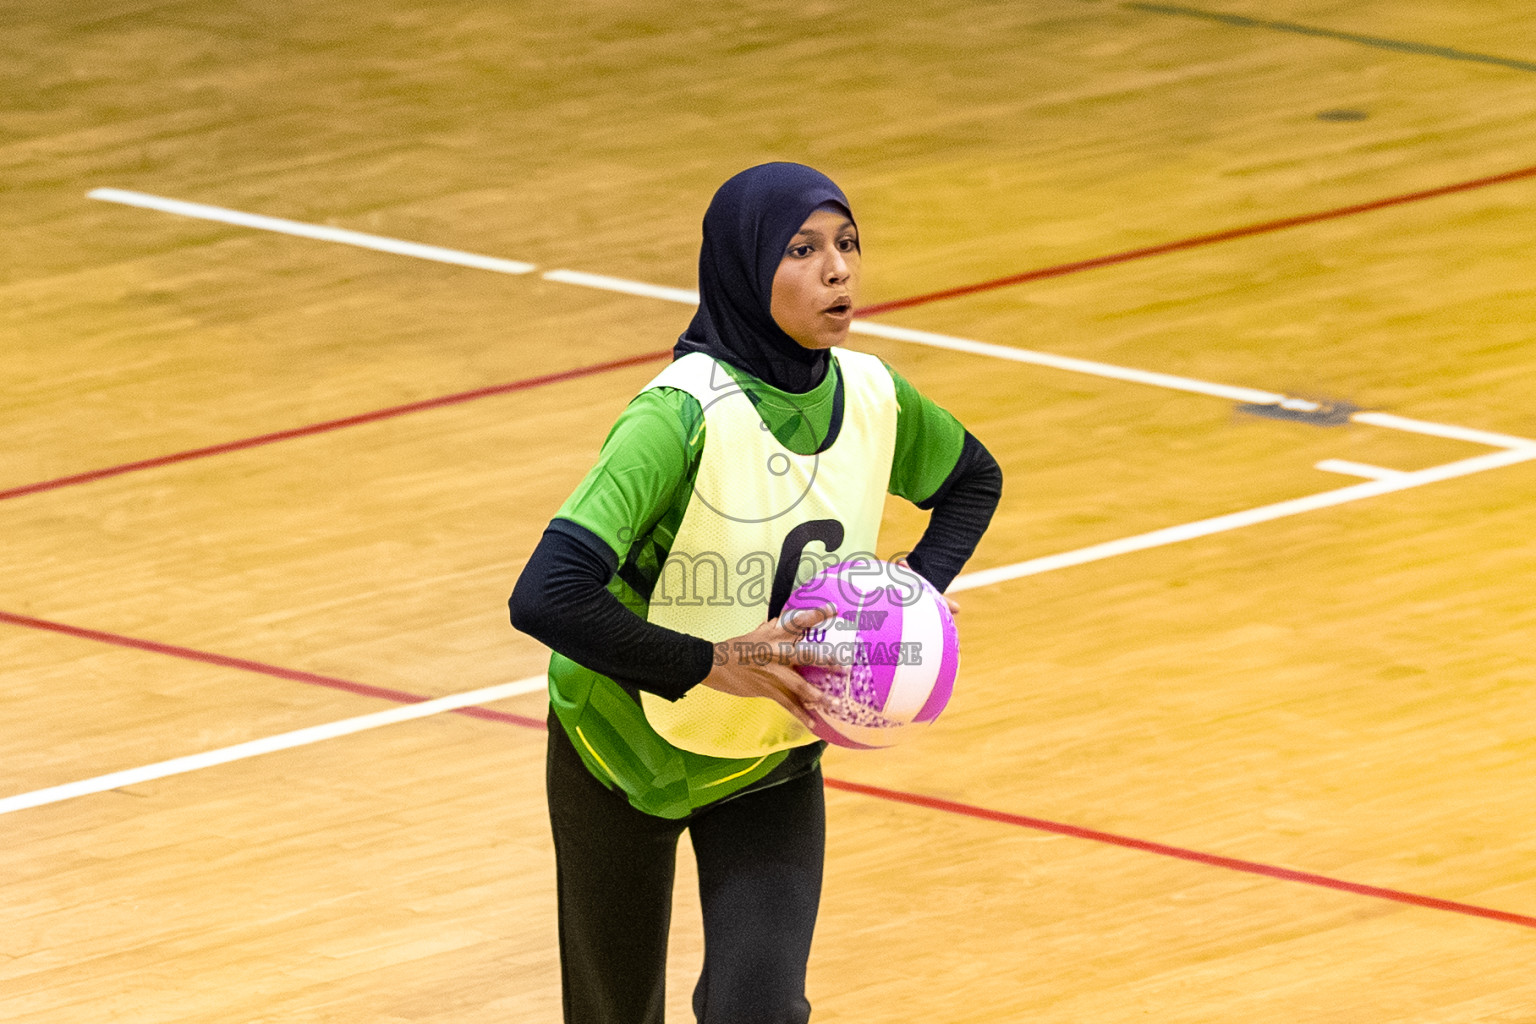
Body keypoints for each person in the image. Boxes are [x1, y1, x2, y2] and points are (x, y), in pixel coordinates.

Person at [509, 162, 1002, 1024]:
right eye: (804, 249)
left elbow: (974, 481)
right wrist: (712, 661)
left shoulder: (874, 394)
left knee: (760, 1011)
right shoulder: (675, 417)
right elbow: (546, 595)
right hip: (617, 745)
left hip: (768, 754)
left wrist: (910, 595)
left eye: (847, 243)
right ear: (743, 267)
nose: (839, 269)